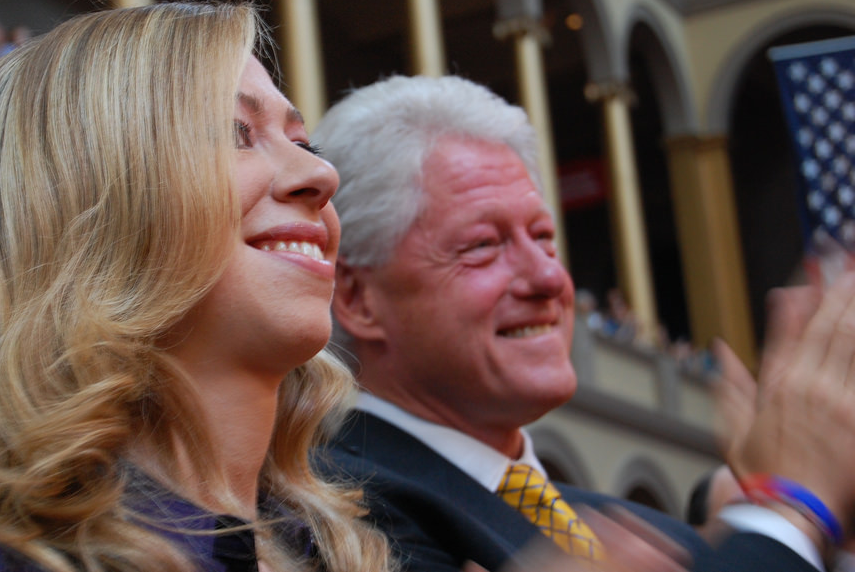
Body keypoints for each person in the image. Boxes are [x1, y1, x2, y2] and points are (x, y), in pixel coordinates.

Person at [0, 1, 393, 572]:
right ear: (85, 205)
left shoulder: (338, 552)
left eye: (305, 145)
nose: (322, 175)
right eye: (237, 132)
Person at [312, 74, 855, 572]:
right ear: (358, 297)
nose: (549, 277)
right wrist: (794, 509)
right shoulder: (326, 514)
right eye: (483, 246)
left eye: (544, 238)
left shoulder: (645, 534)